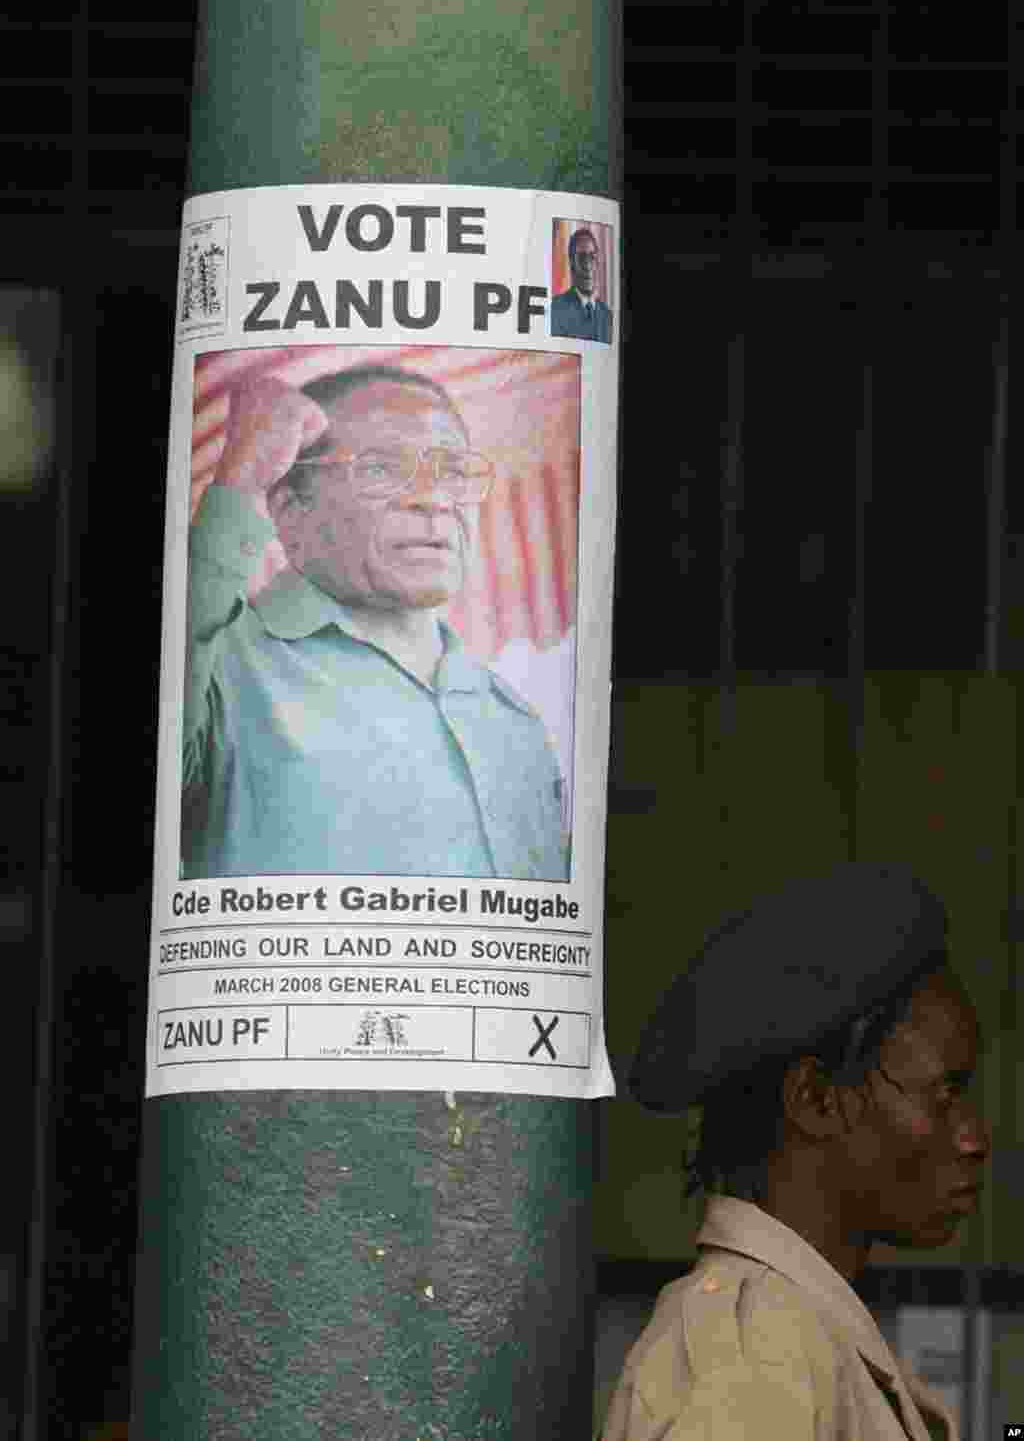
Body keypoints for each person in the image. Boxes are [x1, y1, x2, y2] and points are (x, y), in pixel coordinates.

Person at [602, 864, 989, 1441]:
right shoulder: (755, 1361)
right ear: (816, 1100)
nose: (974, 1138)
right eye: (943, 1094)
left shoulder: (798, 1334)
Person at [181, 364, 568, 880]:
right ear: (290, 512)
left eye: (453, 471)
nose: (435, 499)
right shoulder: (220, 670)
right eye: (381, 469)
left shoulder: (516, 719)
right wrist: (239, 480)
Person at [550, 229, 613, 343]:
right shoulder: (555, 309)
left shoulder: (607, 316)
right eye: (581, 257)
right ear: (571, 262)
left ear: (598, 262)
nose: (588, 266)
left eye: (592, 257)